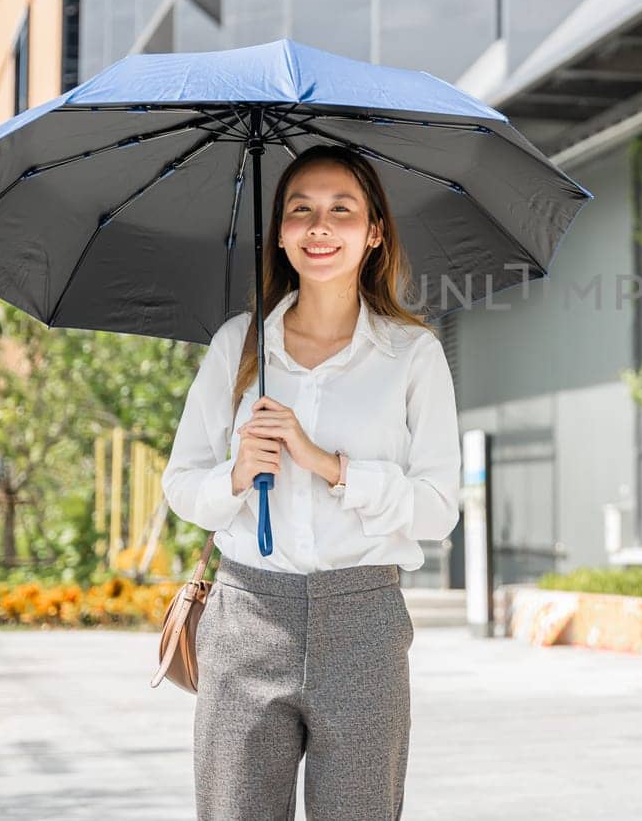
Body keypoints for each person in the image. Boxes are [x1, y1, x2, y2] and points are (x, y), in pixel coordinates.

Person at [161, 144, 462, 820]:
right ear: (279, 234)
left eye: (340, 210)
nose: (319, 228)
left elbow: (440, 507)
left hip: (364, 623)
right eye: (300, 211)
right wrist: (237, 474)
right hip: (245, 617)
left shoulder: (412, 355)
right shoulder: (238, 346)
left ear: (375, 230)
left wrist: (329, 464)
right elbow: (180, 482)